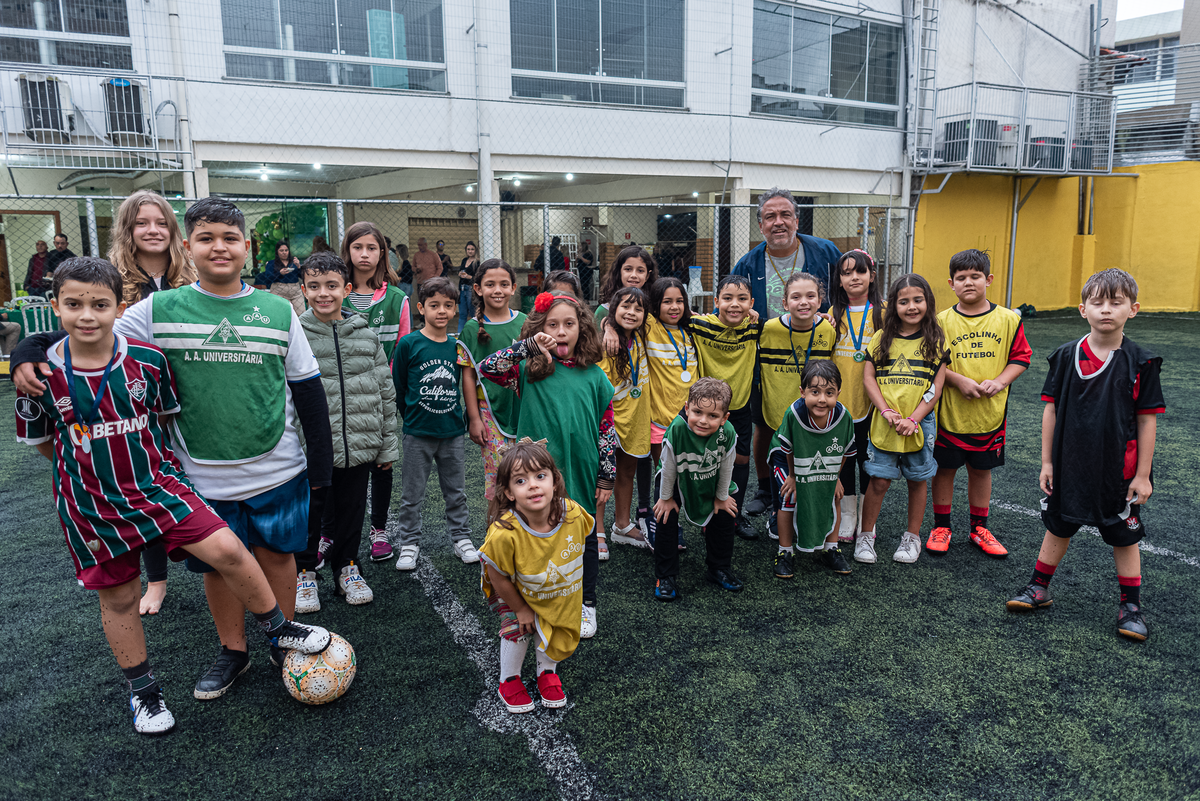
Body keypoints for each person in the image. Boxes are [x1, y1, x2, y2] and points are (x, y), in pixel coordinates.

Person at [9, 197, 335, 700]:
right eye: (206, 238)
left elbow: (308, 388)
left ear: (247, 247)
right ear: (188, 246)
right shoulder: (158, 309)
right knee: (220, 566)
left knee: (277, 555)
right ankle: (233, 651)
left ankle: (281, 641)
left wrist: (321, 469)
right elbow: (89, 325)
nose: (219, 247)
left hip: (278, 464)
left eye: (230, 238)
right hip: (200, 472)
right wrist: (26, 349)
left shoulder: (278, 310)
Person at [1007, 269, 1163, 641]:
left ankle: (1131, 606)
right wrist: (1047, 462)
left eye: (1116, 302)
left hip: (1118, 472)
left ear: (1133, 309)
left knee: (1124, 536)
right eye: (1098, 302)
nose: (1106, 309)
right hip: (1069, 466)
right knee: (1058, 525)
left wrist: (1142, 475)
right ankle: (1039, 586)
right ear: (1083, 309)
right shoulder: (1065, 356)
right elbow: (1051, 411)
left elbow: (1147, 420)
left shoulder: (1141, 362)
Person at [478, 292, 614, 640]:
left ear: (582, 329)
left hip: (580, 467)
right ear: (540, 329)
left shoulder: (596, 376)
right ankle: (531, 600)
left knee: (582, 535)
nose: (561, 331)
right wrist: (527, 348)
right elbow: (487, 368)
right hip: (534, 474)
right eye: (552, 324)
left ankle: (586, 603)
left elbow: (606, 428)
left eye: (569, 324)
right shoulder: (527, 369)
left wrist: (607, 474)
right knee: (534, 536)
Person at [107, 189, 199, 614]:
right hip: (139, 398)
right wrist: (30, 349)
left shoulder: (193, 274)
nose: (153, 230)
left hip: (191, 392)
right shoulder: (111, 278)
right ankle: (157, 581)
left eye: (161, 222)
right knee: (146, 484)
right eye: (142, 223)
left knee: (195, 475)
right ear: (128, 230)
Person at [294, 251, 398, 612]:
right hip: (313, 448)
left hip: (360, 441)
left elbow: (384, 390)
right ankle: (305, 573)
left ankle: (347, 568)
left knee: (353, 509)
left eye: (332, 285)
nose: (323, 293)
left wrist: (387, 445)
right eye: (314, 286)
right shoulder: (296, 335)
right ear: (303, 290)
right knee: (310, 513)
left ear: (347, 289)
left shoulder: (366, 335)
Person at [735, 188, 840, 529]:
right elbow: (732, 303)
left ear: (797, 219)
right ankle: (767, 488)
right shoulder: (748, 264)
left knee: (817, 420)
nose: (778, 222)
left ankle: (815, 480)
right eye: (770, 217)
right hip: (768, 359)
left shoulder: (825, 252)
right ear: (760, 225)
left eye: (784, 215)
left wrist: (833, 313)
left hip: (815, 353)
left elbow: (848, 290)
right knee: (765, 424)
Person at [929, 249, 1032, 558]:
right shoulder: (941, 321)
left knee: (981, 471)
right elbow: (932, 362)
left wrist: (1000, 382)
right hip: (950, 415)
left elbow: (1021, 358)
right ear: (951, 283)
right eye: (961, 278)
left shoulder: (1009, 319)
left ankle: (979, 529)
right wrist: (957, 380)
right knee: (944, 470)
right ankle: (941, 527)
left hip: (989, 416)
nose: (968, 282)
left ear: (988, 279)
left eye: (975, 276)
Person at [480, 440, 592, 713]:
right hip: (512, 587)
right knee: (520, 628)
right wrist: (521, 609)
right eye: (521, 480)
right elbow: (497, 575)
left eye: (540, 476)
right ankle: (508, 679)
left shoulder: (573, 514)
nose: (532, 485)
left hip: (549, 585)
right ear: (508, 492)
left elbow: (583, 541)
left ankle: (546, 672)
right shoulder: (504, 533)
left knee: (553, 620)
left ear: (555, 480)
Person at [855, 274, 948, 566]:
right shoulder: (881, 338)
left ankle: (912, 537)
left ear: (928, 302)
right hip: (885, 423)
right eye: (903, 301)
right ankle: (865, 535)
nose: (911, 307)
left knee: (917, 481)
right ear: (893, 304)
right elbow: (869, 378)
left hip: (919, 425)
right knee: (879, 480)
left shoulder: (936, 340)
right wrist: (886, 411)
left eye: (918, 300)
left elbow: (936, 387)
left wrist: (915, 419)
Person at [391, 277, 480, 571]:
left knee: (456, 491)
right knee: (411, 494)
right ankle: (409, 543)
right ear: (421, 308)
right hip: (417, 432)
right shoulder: (409, 343)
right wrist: (411, 417)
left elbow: (465, 383)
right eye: (434, 305)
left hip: (452, 432)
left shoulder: (457, 346)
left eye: (448, 305)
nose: (441, 311)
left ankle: (461, 538)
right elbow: (399, 387)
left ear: (455, 309)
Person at [338, 222, 411, 562]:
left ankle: (379, 530)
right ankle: (331, 533)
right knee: (341, 465)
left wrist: (388, 392)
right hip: (341, 397)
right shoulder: (334, 293)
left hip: (380, 398)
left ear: (383, 253)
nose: (364, 254)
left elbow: (403, 351)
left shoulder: (397, 299)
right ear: (347, 251)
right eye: (358, 247)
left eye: (372, 248)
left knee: (382, 463)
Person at [758, 272, 836, 539]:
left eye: (810, 296)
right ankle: (775, 510)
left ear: (820, 301)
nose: (804, 302)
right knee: (780, 465)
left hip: (814, 413)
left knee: (810, 465)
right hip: (777, 411)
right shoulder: (768, 329)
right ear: (784, 302)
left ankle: (809, 515)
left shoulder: (827, 330)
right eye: (796, 297)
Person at [651, 378, 742, 601]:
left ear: (724, 418)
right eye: (697, 412)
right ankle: (665, 575)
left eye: (713, 416)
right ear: (687, 408)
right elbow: (668, 467)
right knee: (665, 517)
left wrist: (721, 497)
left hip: (711, 476)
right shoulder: (677, 429)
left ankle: (719, 568)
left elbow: (727, 466)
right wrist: (666, 498)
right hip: (674, 479)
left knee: (726, 511)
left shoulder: (728, 432)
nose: (703, 420)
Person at [687, 274, 762, 541]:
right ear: (716, 301)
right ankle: (705, 513)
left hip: (739, 408)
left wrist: (824, 316)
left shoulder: (754, 327)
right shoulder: (699, 324)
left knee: (740, 460)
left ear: (751, 303)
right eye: (727, 298)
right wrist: (608, 324)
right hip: (706, 412)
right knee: (706, 462)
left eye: (742, 299)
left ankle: (734, 515)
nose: (735, 304)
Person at [770, 360, 857, 579]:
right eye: (815, 392)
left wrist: (835, 478)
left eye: (829, 393)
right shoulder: (794, 414)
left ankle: (831, 548)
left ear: (838, 393)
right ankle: (785, 551)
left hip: (822, 456)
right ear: (802, 392)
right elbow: (788, 449)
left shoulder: (844, 417)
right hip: (787, 459)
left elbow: (845, 452)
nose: (822, 399)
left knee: (833, 494)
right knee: (790, 496)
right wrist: (792, 476)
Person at [828, 249, 885, 542]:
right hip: (841, 402)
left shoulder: (884, 313)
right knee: (844, 459)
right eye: (847, 272)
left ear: (872, 276)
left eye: (860, 271)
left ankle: (867, 516)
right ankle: (848, 514)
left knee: (868, 459)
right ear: (839, 279)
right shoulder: (832, 314)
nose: (854, 278)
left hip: (873, 403)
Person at [458, 259, 526, 501]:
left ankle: (527, 524)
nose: (498, 290)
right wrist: (474, 419)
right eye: (490, 284)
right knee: (499, 480)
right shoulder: (471, 329)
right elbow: (468, 376)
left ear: (513, 288)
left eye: (504, 284)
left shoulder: (525, 322)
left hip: (524, 410)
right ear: (478, 288)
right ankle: (497, 524)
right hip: (489, 414)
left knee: (527, 474)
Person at [642, 277, 698, 548]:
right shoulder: (649, 327)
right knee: (664, 476)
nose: (674, 307)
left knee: (687, 475)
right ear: (655, 305)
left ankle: (685, 522)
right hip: (660, 420)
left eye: (679, 301)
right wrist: (607, 327)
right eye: (667, 302)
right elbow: (618, 315)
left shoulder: (692, 329)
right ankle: (664, 528)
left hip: (691, 420)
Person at [598, 287, 652, 556]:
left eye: (638, 309)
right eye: (625, 307)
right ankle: (596, 531)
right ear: (613, 310)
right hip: (607, 417)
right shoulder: (604, 341)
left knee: (627, 471)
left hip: (636, 416)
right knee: (601, 474)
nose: (631, 313)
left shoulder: (643, 336)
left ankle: (621, 525)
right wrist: (607, 326)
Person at [262, 241, 304, 315]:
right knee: (283, 314)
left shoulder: (294, 262)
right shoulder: (271, 263)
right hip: (279, 292)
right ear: (277, 252)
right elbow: (268, 279)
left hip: (295, 292)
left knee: (301, 313)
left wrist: (299, 266)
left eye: (286, 250)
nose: (284, 252)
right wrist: (279, 273)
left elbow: (302, 276)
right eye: (281, 250)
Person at [458, 241, 480, 332]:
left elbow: (478, 277)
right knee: (462, 313)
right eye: (468, 249)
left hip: (471, 288)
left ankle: (474, 332)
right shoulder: (464, 260)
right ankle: (460, 334)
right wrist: (460, 274)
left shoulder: (477, 262)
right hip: (462, 288)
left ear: (475, 250)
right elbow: (461, 270)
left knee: (473, 312)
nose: (470, 251)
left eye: (472, 249)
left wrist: (469, 277)